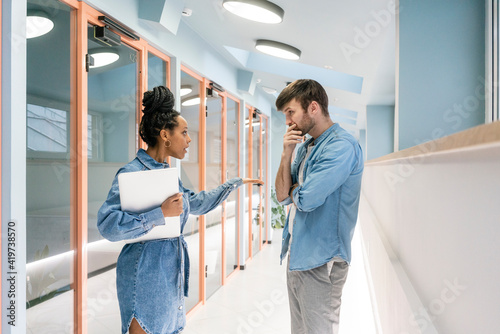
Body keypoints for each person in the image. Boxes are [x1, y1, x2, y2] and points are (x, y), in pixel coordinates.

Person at [97, 86, 263, 334]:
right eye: (184, 133)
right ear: (165, 135)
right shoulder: (132, 173)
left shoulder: (168, 175)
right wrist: (159, 214)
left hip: (170, 274)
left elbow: (195, 203)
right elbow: (108, 225)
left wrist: (234, 184)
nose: (189, 139)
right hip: (143, 276)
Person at [274, 79, 364, 334]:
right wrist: (286, 153)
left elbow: (306, 200)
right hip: (298, 253)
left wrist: (295, 192)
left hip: (322, 262)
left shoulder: (341, 146)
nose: (288, 121)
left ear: (313, 107)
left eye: (291, 112)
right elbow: (282, 196)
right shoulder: (305, 148)